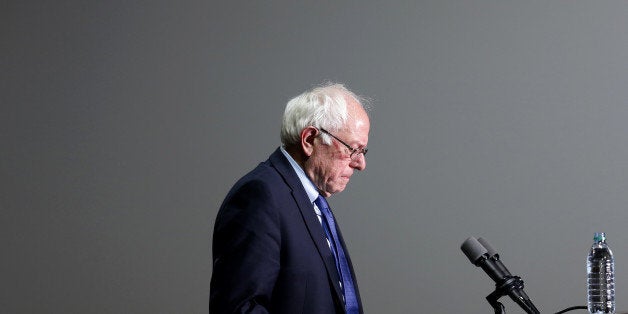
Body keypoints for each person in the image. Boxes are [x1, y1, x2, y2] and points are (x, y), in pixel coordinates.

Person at [210, 83, 370, 313]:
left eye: (363, 152)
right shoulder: (260, 197)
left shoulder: (314, 202)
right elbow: (240, 308)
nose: (360, 164)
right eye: (353, 149)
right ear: (309, 140)